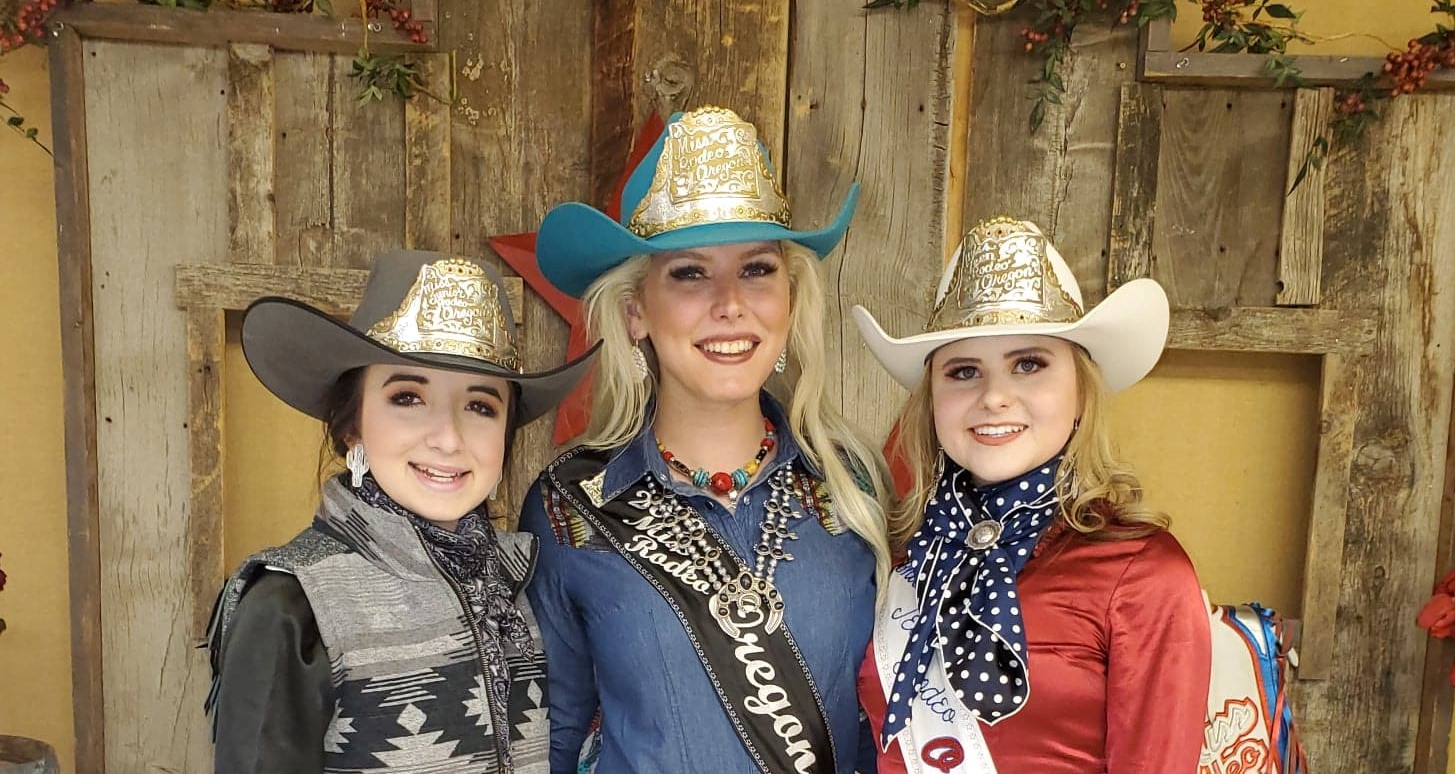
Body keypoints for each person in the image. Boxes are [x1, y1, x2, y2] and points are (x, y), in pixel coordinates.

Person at [521, 105, 892, 773]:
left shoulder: (852, 486)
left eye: (757, 269)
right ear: (635, 311)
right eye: (689, 273)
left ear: (789, 300)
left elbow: (888, 732)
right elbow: (552, 737)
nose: (730, 304)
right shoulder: (568, 506)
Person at [207, 251, 597, 773]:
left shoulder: (523, 579)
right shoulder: (293, 607)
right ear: (352, 425)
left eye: (480, 406)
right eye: (408, 397)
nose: (448, 438)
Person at [854, 217, 1211, 773]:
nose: (995, 396)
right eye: (963, 371)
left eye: (1028, 364)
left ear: (1081, 393)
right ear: (933, 402)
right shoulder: (894, 555)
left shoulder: (1144, 574)